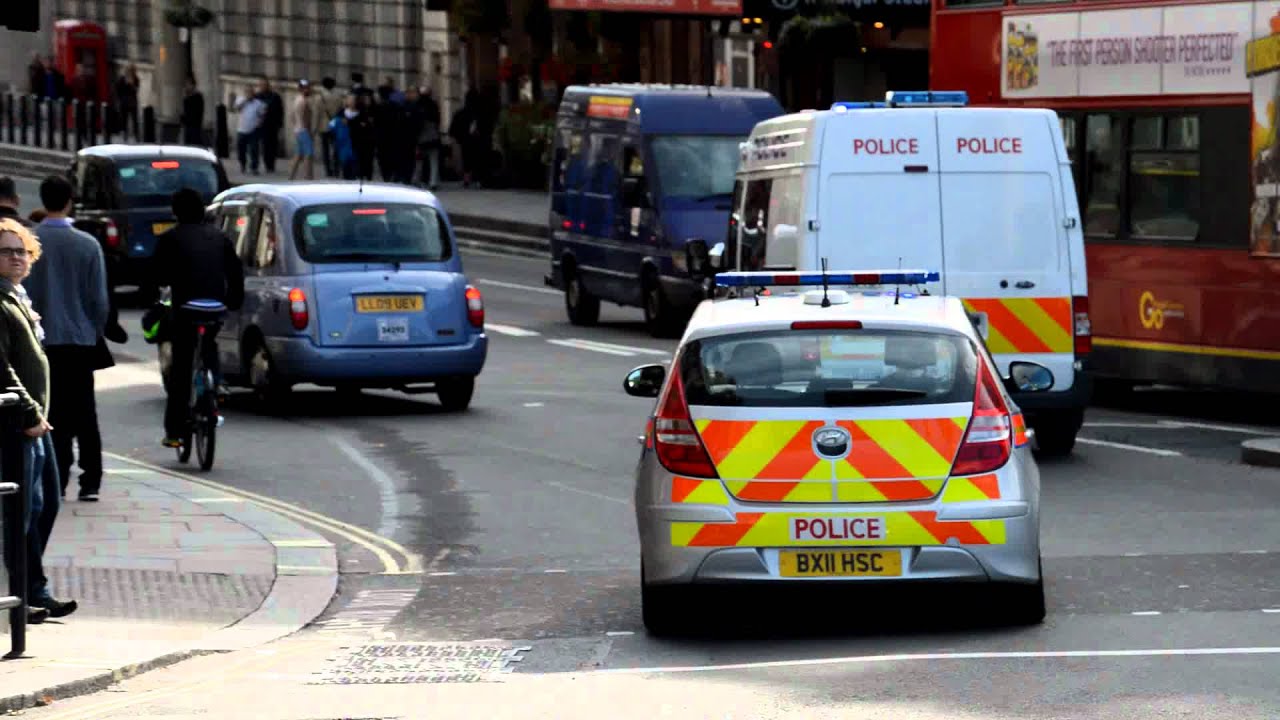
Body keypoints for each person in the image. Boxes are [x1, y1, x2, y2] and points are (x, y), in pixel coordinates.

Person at [0, 218, 78, 622]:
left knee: (45, 503)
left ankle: (31, 589)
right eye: (7, 251)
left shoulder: (16, 295)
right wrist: (29, 412)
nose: (16, 258)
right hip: (15, 423)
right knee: (23, 511)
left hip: (35, 421)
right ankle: (25, 597)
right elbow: (1, 368)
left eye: (22, 251)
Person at [25, 176, 109, 503]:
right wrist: (93, 330)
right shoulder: (88, 244)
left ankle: (56, 477)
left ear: (44, 201)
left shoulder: (29, 243)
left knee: (51, 411)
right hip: (79, 341)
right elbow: (99, 301)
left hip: (41, 343)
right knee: (85, 412)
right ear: (70, 200)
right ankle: (91, 481)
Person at [151, 189, 244, 449]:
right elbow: (235, 272)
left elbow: (157, 275)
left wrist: (157, 296)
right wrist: (234, 301)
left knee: (182, 366)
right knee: (209, 342)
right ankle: (217, 382)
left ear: (176, 212)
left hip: (186, 309)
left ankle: (174, 432)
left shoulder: (171, 238)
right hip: (216, 307)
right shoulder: (220, 237)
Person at [288, 79, 316, 180]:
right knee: (308, 155)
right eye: (307, 88)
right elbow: (306, 118)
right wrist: (309, 132)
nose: (309, 90)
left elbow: (291, 116)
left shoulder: (296, 99)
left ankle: (291, 177)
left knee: (298, 154)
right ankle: (308, 177)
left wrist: (295, 127)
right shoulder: (304, 101)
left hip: (298, 130)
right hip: (304, 130)